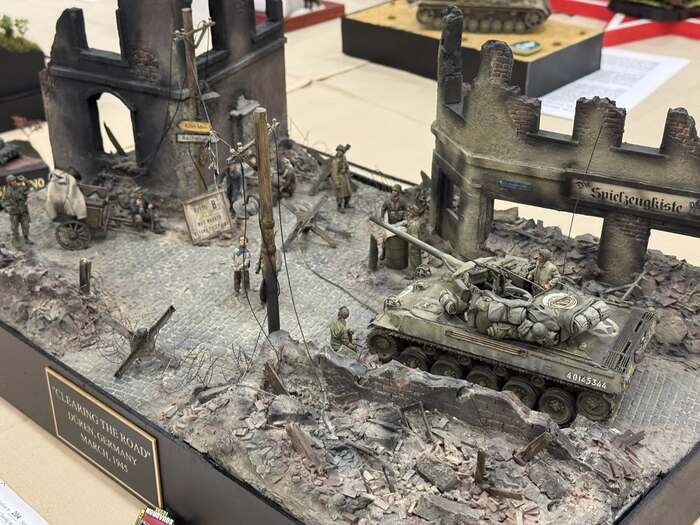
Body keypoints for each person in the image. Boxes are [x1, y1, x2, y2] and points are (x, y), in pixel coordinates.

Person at [1, 175, 32, 246]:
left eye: (14, 180)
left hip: (23, 211)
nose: (14, 182)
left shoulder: (21, 188)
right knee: (14, 228)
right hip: (14, 213)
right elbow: (3, 201)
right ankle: (16, 241)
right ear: (9, 183)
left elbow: (29, 186)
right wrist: (7, 208)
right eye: (12, 181)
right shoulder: (7, 192)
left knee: (26, 225)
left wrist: (25, 180)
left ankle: (26, 238)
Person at [330, 145, 353, 212]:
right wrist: (336, 182)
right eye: (338, 151)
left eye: (341, 151)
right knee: (340, 194)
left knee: (349, 192)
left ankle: (346, 204)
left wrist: (348, 172)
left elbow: (346, 166)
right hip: (339, 177)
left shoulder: (344, 158)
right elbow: (334, 173)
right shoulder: (335, 161)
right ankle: (339, 207)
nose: (339, 152)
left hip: (345, 177)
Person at [406, 205, 423, 274]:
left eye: (409, 212)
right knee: (416, 257)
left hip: (413, 244)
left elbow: (415, 236)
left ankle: (415, 273)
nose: (408, 213)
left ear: (413, 213)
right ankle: (418, 271)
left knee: (414, 258)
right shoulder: (415, 220)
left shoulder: (414, 224)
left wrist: (411, 245)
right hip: (415, 243)